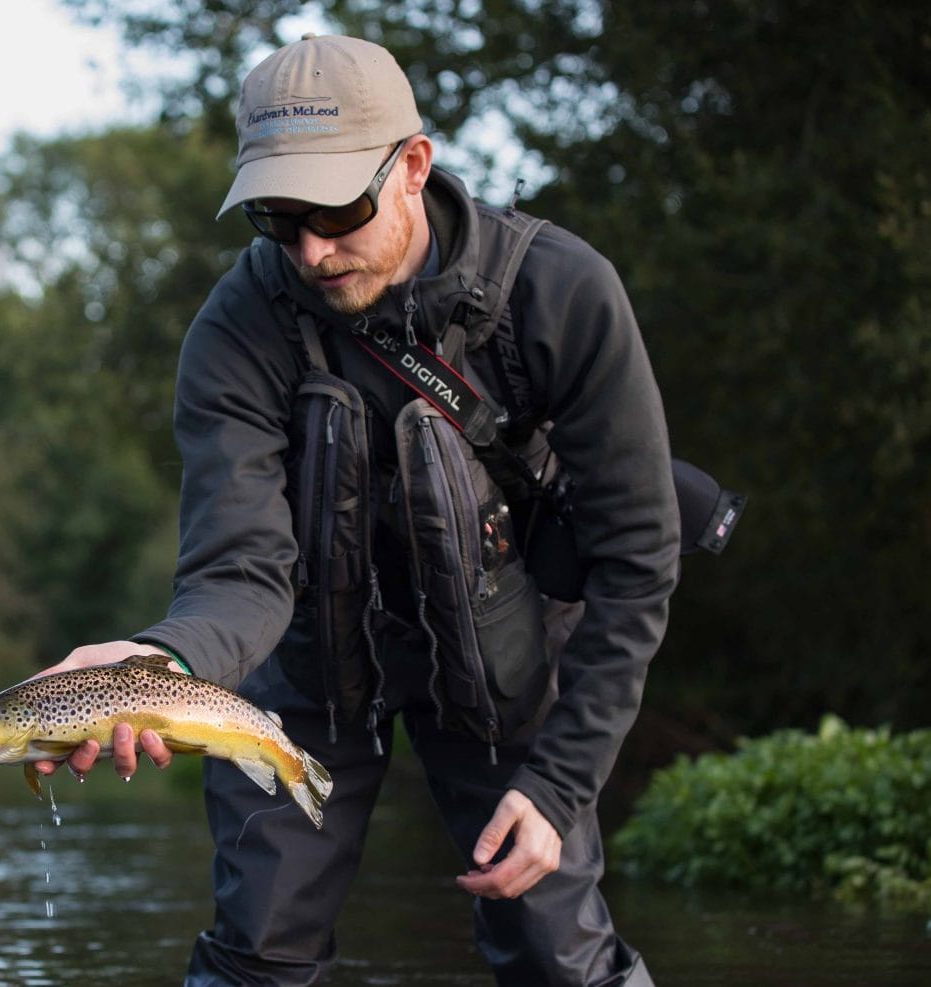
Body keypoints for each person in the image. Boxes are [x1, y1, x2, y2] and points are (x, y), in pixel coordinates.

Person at [33, 32, 677, 987]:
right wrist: (158, 664)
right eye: (275, 218)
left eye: (336, 209)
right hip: (305, 661)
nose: (311, 250)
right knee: (258, 952)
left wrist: (559, 783)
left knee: (557, 957)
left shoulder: (560, 291)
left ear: (414, 165)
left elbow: (636, 563)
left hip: (509, 646)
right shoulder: (236, 329)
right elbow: (239, 571)